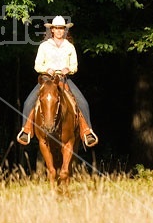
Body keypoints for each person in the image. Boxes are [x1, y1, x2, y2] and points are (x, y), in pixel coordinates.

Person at [16, 15, 99, 147]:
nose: (59, 31)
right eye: (57, 28)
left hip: (63, 79)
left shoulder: (69, 47)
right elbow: (37, 65)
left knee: (83, 102)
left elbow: (74, 66)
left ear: (65, 30)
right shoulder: (44, 46)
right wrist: (46, 69)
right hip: (46, 79)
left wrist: (69, 69)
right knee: (28, 102)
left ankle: (86, 131)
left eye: (62, 28)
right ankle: (26, 130)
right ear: (52, 30)